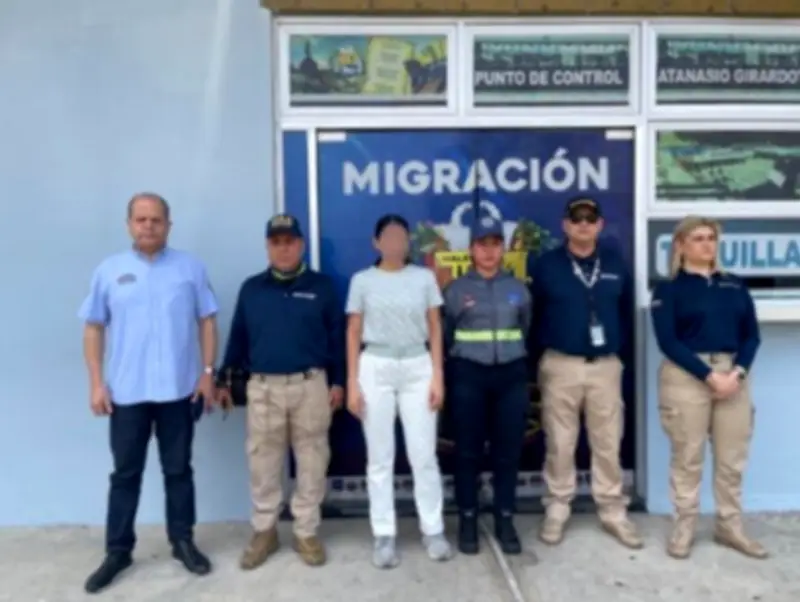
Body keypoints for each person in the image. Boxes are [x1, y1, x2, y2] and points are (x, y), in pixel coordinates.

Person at [79, 193, 219, 594]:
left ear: (168, 225)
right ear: (129, 224)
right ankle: (118, 551)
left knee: (178, 472)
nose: (148, 226)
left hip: (179, 392)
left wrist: (208, 373)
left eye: (156, 219)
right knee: (125, 475)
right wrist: (95, 383)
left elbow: (207, 321)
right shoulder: (109, 271)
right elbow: (93, 328)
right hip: (126, 394)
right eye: (141, 219)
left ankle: (183, 542)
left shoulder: (190, 268)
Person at [217, 213, 345, 569]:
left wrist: (339, 381)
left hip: (310, 385)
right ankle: (265, 530)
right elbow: (238, 338)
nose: (284, 247)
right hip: (263, 389)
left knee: (312, 458)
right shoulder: (251, 288)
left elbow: (336, 337)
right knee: (263, 461)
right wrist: (224, 379)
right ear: (267, 246)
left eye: (290, 241)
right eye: (277, 241)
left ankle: (305, 531)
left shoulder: (322, 286)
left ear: (301, 244)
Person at [651, 216, 766, 559]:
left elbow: (752, 336)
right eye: (698, 238)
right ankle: (684, 527)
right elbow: (668, 341)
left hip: (733, 377)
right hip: (687, 376)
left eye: (711, 238)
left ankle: (729, 527)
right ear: (681, 245)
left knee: (732, 459)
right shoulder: (669, 288)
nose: (706, 244)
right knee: (687, 457)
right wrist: (707, 375)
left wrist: (738, 373)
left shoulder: (735, 285)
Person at [530, 196, 642, 549]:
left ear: (600, 225)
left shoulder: (615, 263)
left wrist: (616, 353)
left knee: (607, 441)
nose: (582, 224)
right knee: (560, 442)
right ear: (564, 225)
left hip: (605, 366)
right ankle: (558, 507)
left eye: (589, 218)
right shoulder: (546, 264)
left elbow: (625, 314)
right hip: (561, 364)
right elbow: (533, 317)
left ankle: (611, 510)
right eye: (575, 218)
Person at [345, 214, 452, 569]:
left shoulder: (423, 278)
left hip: (417, 365)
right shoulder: (362, 280)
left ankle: (433, 529)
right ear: (376, 243)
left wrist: (437, 375)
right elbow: (353, 331)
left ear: (408, 242)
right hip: (375, 365)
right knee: (380, 457)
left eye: (401, 236)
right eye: (388, 237)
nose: (395, 242)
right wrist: (352, 382)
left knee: (423, 454)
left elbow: (435, 326)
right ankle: (384, 533)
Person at [442, 215, 532, 556]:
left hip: (510, 376)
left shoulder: (518, 289)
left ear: (503, 249)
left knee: (507, 452)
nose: (489, 251)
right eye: (483, 244)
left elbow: (525, 328)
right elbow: (448, 331)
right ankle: (467, 517)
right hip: (469, 375)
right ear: (471, 249)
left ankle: (504, 518)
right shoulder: (456, 290)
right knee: (467, 452)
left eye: (496, 244)